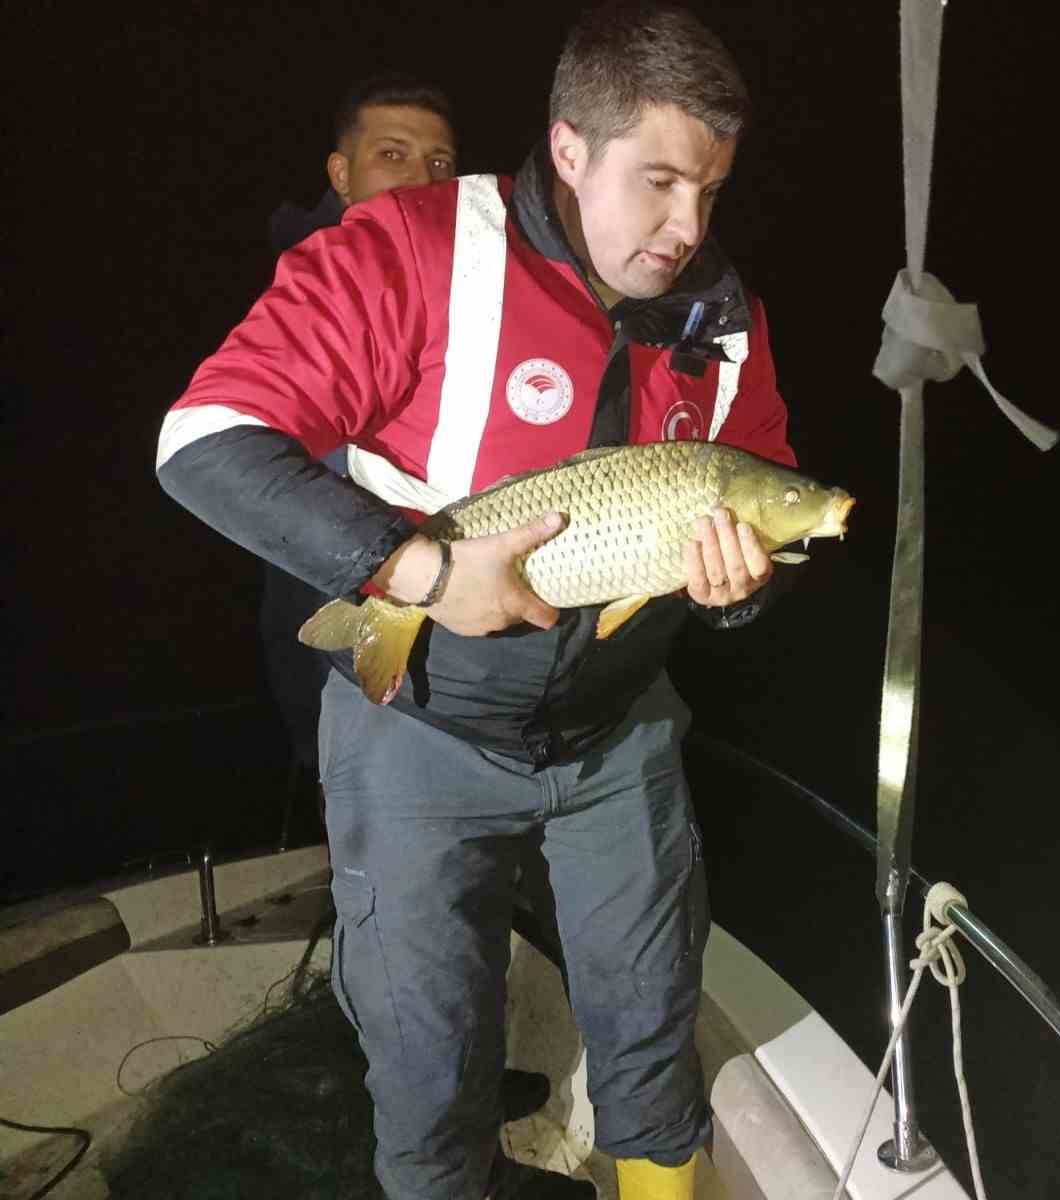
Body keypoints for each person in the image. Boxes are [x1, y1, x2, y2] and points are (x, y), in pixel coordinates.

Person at [157, 4, 798, 1198]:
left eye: (709, 190)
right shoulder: (406, 251)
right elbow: (201, 440)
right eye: (657, 181)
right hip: (418, 736)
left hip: (617, 735)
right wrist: (421, 574)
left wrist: (735, 595)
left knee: (655, 1046)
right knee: (429, 1072)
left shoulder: (721, 321)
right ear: (567, 148)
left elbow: (757, 508)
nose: (685, 228)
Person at [259, 75, 459, 828]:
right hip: (331, 614)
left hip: (447, 626)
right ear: (341, 176)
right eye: (394, 155)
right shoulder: (302, 289)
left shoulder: (475, 285)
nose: (420, 179)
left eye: (440, 163)